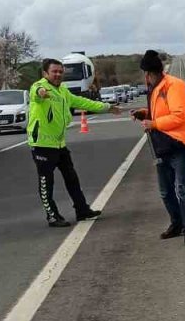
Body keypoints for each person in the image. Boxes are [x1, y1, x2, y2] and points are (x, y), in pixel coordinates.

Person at [27, 58, 120, 228]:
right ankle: (52, 216)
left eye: (60, 72)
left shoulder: (63, 91)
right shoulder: (39, 87)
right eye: (54, 71)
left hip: (59, 144)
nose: (58, 74)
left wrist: (107, 107)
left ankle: (82, 210)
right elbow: (35, 92)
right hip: (42, 144)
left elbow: (84, 102)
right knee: (46, 183)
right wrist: (41, 92)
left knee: (72, 178)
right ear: (45, 73)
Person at [131, 50, 185, 246]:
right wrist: (144, 113)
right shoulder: (155, 88)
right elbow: (161, 112)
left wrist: (153, 124)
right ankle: (177, 224)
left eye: (144, 74)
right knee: (165, 191)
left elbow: (178, 115)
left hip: (180, 144)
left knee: (182, 189)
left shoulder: (174, 85)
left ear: (148, 73)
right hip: (163, 145)